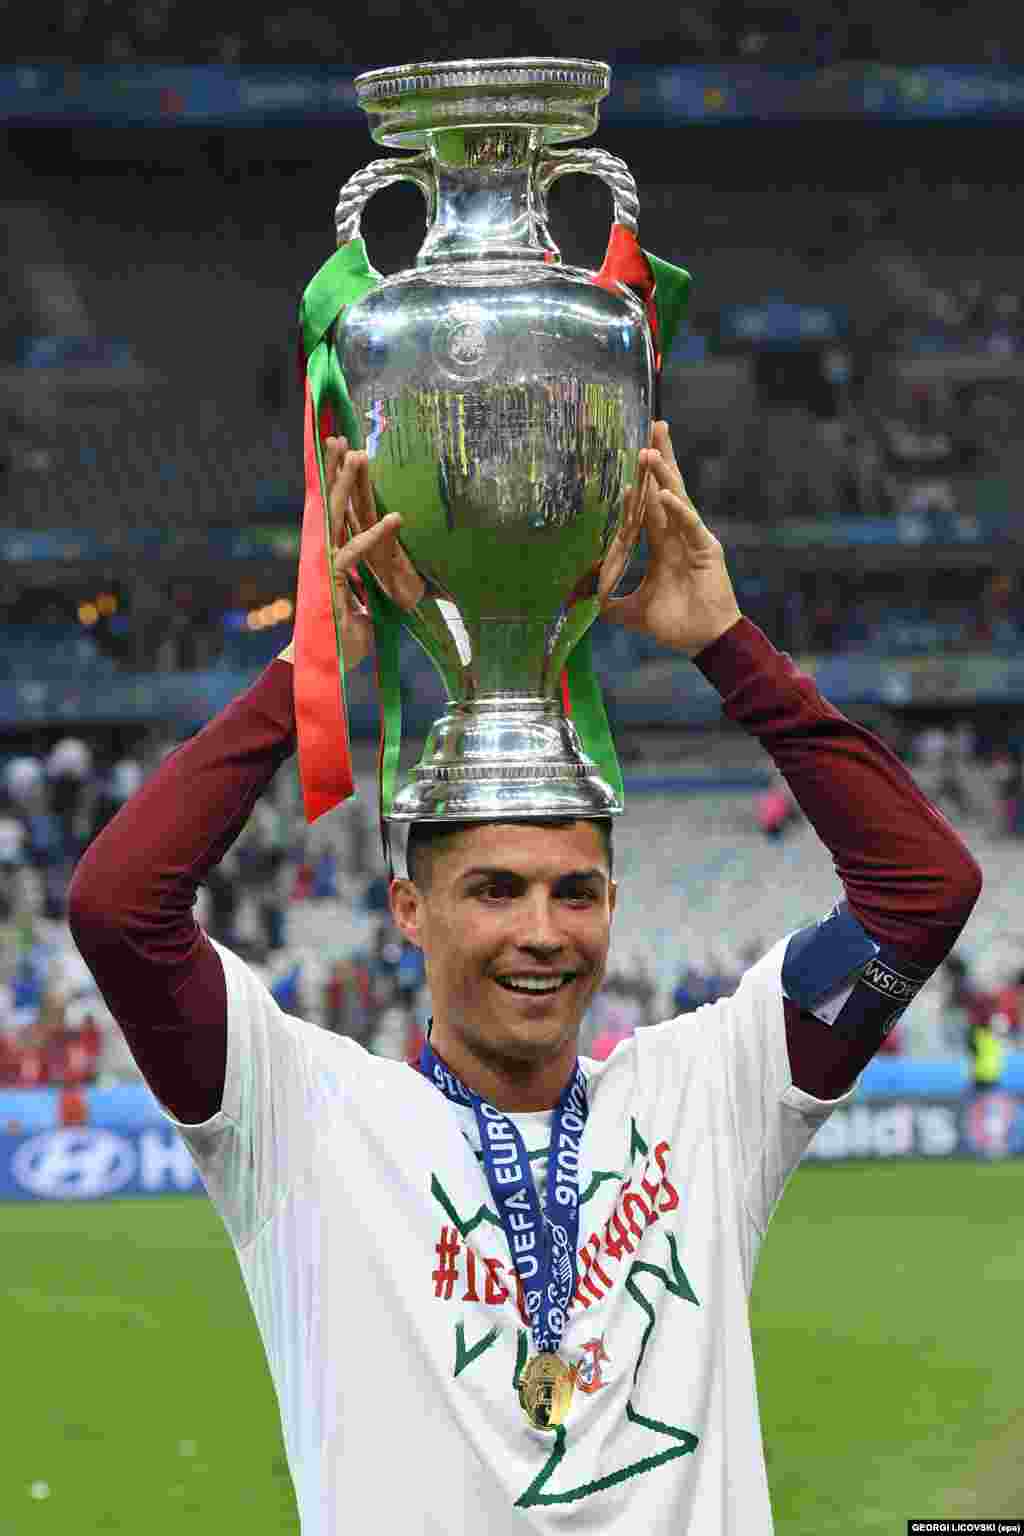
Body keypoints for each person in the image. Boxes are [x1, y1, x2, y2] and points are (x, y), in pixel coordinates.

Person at [68, 425, 981, 1535]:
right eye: (495, 890)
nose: (542, 932)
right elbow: (120, 908)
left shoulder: (712, 1094)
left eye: (575, 891)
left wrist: (727, 643)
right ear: (409, 908)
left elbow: (922, 892)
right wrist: (306, 671)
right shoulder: (303, 1116)